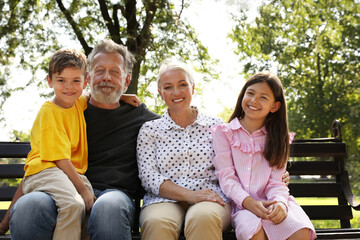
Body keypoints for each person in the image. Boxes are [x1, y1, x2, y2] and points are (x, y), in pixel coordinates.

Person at [6, 39, 159, 240]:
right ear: (89, 77)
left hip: (113, 195)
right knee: (30, 206)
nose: (106, 78)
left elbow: (175, 125)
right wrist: (5, 220)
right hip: (63, 190)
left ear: (126, 80)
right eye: (99, 71)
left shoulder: (139, 115)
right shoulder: (68, 110)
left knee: (107, 209)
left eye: (115, 72)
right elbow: (37, 164)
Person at [136, 61, 290, 240]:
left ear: (193, 88)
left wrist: (279, 175)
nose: (176, 92)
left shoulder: (216, 126)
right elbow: (149, 177)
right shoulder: (150, 130)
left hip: (212, 199)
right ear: (160, 94)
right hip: (163, 200)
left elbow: (242, 159)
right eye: (168, 87)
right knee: (157, 222)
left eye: (182, 84)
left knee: (203, 218)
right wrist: (191, 195)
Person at [211, 72, 316, 240]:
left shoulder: (278, 138)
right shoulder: (224, 133)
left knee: (300, 231)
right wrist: (249, 202)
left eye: (263, 97)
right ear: (242, 95)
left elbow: (277, 182)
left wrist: (280, 203)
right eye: (250, 93)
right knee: (254, 232)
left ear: (274, 106)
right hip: (242, 206)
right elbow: (226, 178)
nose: (254, 101)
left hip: (273, 202)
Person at [21, 48, 95, 240]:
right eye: (61, 80)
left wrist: (124, 97)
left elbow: (90, 96)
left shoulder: (76, 102)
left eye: (76, 81)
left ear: (85, 82)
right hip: (45, 169)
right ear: (50, 81)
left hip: (66, 170)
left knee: (90, 205)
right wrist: (82, 190)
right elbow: (60, 159)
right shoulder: (50, 112)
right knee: (74, 204)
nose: (69, 87)